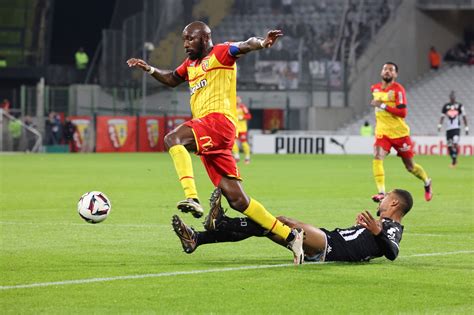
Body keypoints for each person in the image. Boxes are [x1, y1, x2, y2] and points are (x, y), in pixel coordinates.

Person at [127, 21, 305, 264]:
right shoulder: (191, 64)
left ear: (204, 38)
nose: (186, 44)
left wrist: (262, 43)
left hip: (219, 123)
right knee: (238, 200)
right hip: (211, 132)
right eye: (184, 40)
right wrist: (149, 69)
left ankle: (192, 197)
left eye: (190, 39)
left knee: (172, 139)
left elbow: (244, 45)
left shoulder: (220, 52)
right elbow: (171, 79)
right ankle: (291, 237)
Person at [172, 188, 412, 263]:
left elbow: (392, 252)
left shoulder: (392, 228)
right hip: (329, 240)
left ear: (393, 202)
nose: (381, 199)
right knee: (269, 227)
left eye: (386, 197)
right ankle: (198, 238)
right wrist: (362, 229)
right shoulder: (380, 224)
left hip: (330, 248)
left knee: (281, 222)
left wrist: (377, 231)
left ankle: (221, 222)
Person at [370, 62, 432, 202]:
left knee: (410, 167)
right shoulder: (375, 88)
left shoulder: (398, 90)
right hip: (382, 132)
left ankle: (427, 182)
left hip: (400, 133)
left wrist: (382, 105)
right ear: (381, 72)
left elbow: (402, 113)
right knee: (377, 156)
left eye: (391, 70)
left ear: (395, 74)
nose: (387, 71)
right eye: (385, 69)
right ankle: (381, 192)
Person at [438, 91, 469, 168]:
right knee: (449, 146)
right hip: (448, 129)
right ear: (450, 97)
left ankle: (454, 161)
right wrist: (439, 125)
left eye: (453, 96)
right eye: (451, 97)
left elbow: (464, 117)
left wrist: (466, 127)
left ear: (455, 97)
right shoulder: (446, 106)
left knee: (455, 143)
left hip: (456, 128)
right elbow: (442, 117)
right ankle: (454, 159)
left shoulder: (459, 106)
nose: (452, 98)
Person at [232, 96, 252, 164]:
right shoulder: (232, 108)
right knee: (233, 143)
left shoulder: (243, 107)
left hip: (243, 128)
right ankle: (236, 157)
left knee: (244, 143)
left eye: (239, 99)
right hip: (235, 128)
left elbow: (249, 116)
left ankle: (247, 158)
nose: (237, 100)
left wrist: (242, 117)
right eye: (236, 99)